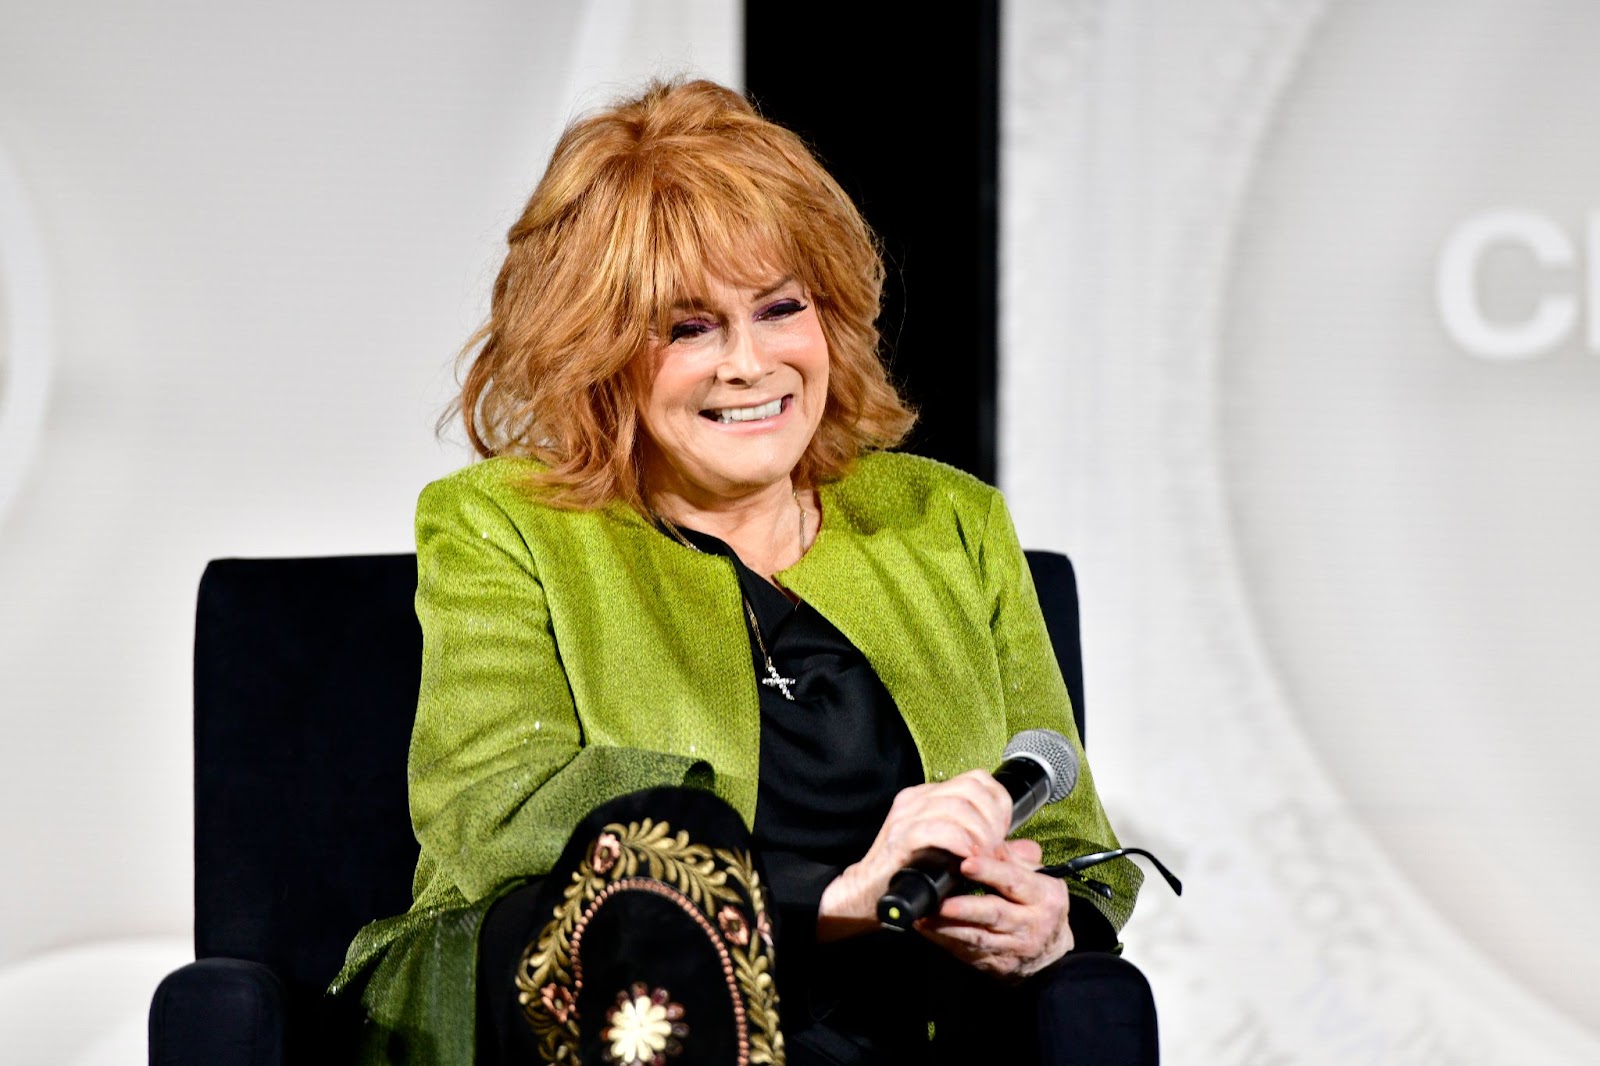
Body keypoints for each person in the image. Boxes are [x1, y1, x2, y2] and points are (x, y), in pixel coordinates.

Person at [333, 78, 1144, 1065]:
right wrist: (837, 899)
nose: (749, 364)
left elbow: (1070, 846)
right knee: (654, 836)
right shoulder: (505, 522)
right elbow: (495, 822)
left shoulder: (947, 521)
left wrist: (1052, 923)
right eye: (688, 328)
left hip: (902, 1022)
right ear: (597, 352)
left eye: (779, 308)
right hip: (580, 1020)